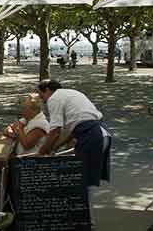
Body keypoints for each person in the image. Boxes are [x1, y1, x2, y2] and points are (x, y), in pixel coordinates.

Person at [37, 80, 111, 223]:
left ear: (47, 90)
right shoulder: (72, 93)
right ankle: (85, 219)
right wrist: (55, 148)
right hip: (101, 134)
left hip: (91, 136)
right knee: (83, 180)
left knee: (81, 181)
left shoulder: (54, 99)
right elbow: (72, 130)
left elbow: (55, 131)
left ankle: (86, 221)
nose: (42, 100)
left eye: (41, 96)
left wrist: (41, 153)